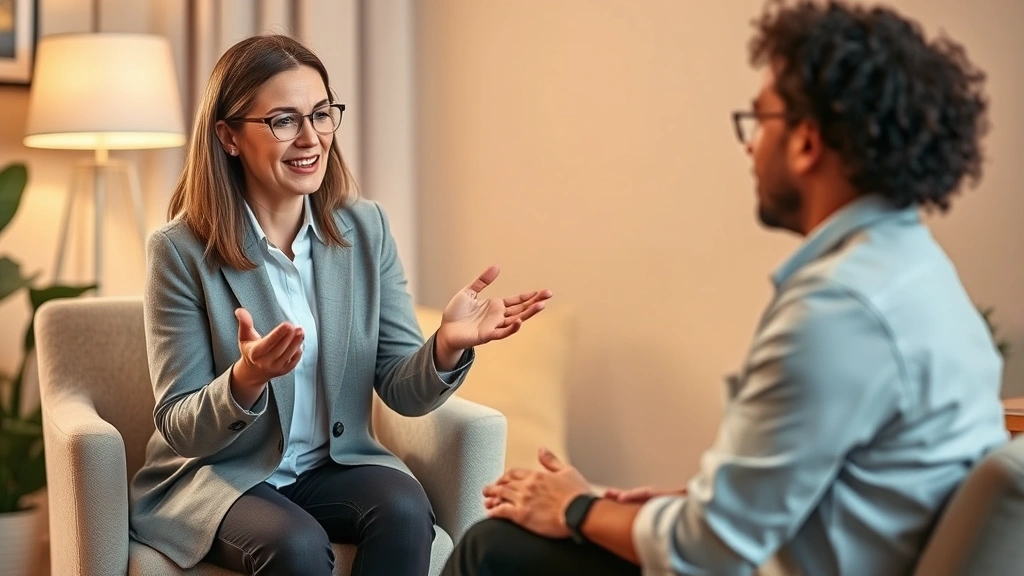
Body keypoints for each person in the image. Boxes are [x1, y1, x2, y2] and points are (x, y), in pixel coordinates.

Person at [442, 1, 1008, 575]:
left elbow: (711, 549)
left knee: (495, 549)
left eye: (759, 121)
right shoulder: (919, 272)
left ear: (805, 142)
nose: (749, 145)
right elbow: (833, 493)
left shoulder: (837, 312)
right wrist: (672, 504)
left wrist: (577, 508)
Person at [128, 34, 551, 576]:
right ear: (229, 136)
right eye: (284, 120)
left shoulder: (365, 228)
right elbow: (180, 424)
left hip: (331, 465)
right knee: (296, 544)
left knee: (404, 509)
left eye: (321, 114)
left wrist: (446, 345)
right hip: (224, 476)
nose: (311, 138)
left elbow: (401, 389)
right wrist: (245, 379)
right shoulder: (180, 250)